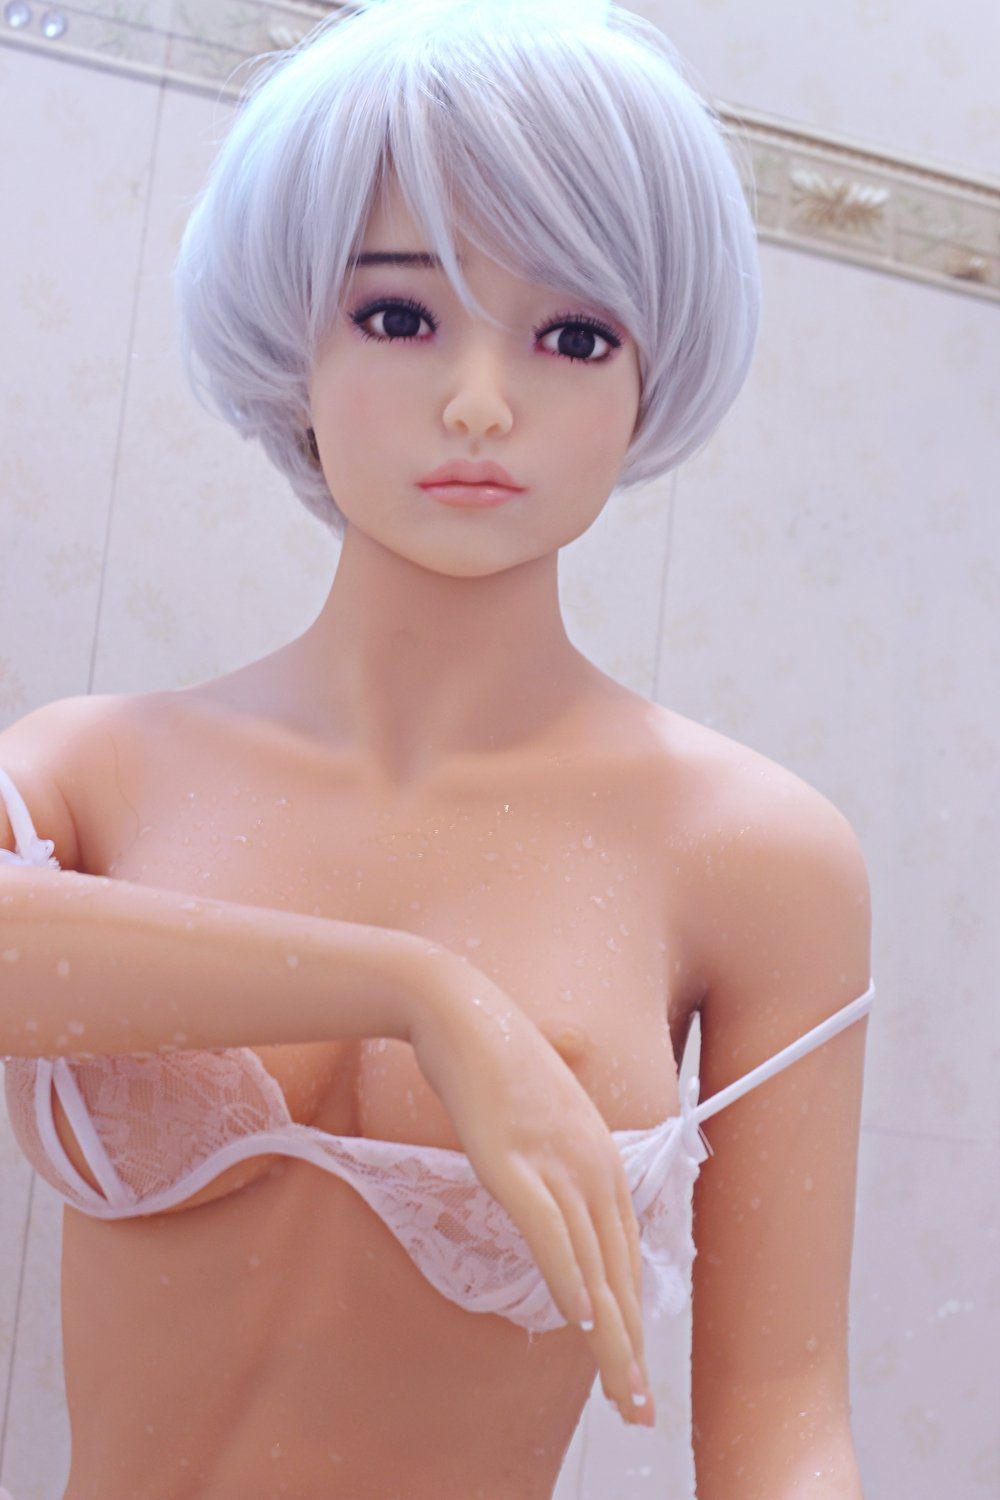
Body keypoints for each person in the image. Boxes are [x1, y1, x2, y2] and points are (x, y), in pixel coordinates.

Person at [0, 0, 874, 1495]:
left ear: (649, 377)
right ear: (295, 336)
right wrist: (420, 993)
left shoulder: (754, 855)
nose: (480, 402)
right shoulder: (101, 767)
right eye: (400, 317)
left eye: (574, 335)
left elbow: (782, 1422)